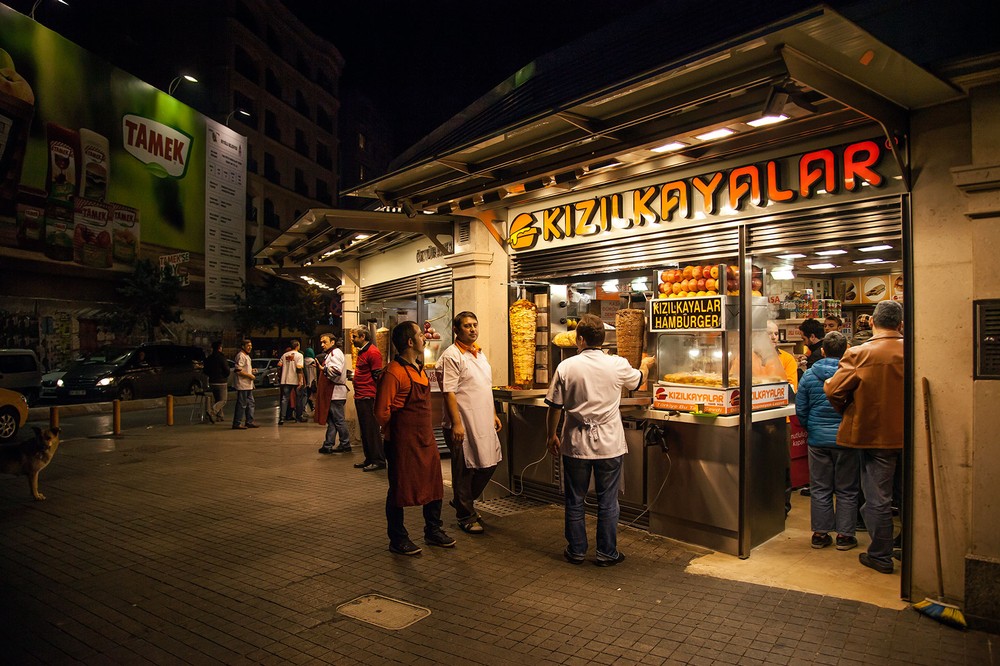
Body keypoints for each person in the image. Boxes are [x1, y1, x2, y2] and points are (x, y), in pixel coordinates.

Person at [545, 314, 655, 566]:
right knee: (608, 500)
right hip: (609, 443)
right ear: (603, 340)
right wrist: (646, 364)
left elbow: (554, 407)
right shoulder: (616, 364)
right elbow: (638, 381)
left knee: (575, 499)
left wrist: (550, 434)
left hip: (575, 443)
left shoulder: (567, 366)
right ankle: (607, 553)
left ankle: (577, 551)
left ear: (580, 339)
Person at [825, 300, 904, 574]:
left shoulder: (859, 353)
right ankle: (906, 546)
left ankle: (880, 556)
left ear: (872, 322)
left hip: (873, 435)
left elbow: (834, 390)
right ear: (901, 324)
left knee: (878, 498)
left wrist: (849, 409)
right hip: (911, 436)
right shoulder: (916, 349)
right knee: (907, 496)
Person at [375, 321, 455, 556]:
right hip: (402, 442)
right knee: (399, 489)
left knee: (434, 484)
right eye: (421, 335)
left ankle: (433, 530)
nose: (424, 338)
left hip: (425, 439)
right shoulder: (393, 372)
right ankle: (398, 538)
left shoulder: (419, 368)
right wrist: (396, 428)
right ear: (410, 342)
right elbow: (381, 412)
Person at [439, 311, 502, 534]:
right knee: (464, 470)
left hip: (483, 420)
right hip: (463, 423)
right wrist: (456, 424)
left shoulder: (479, 354)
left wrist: (493, 413)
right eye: (467, 326)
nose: (473, 329)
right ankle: (465, 515)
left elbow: (485, 387)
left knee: (489, 463)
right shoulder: (451, 356)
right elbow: (449, 392)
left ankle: (461, 500)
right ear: (456, 330)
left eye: (475, 325)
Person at [796, 331, 859, 551]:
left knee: (820, 488)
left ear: (823, 351)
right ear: (846, 350)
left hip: (818, 440)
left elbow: (800, 408)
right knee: (847, 489)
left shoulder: (810, 375)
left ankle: (820, 534)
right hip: (846, 439)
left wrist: (811, 428)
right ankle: (845, 535)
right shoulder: (852, 374)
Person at [350, 326, 386, 471]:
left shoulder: (373, 352)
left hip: (368, 396)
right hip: (360, 395)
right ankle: (369, 458)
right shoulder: (362, 352)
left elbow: (377, 375)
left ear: (363, 337)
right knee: (365, 430)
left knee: (371, 430)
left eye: (354, 337)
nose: (352, 340)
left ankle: (378, 460)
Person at [316, 333, 351, 454]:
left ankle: (345, 443)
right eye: (321, 342)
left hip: (335, 393)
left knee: (338, 420)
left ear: (332, 342)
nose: (322, 344)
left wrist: (323, 369)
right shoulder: (330, 354)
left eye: (324, 342)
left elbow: (335, 371)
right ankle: (328, 444)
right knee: (332, 421)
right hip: (332, 393)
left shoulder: (335, 353)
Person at [232, 339, 259, 430]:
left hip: (248, 385)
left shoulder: (247, 356)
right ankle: (237, 423)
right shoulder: (241, 356)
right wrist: (250, 376)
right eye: (248, 346)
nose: (250, 347)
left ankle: (249, 421)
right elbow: (238, 371)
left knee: (250, 403)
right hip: (242, 385)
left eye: (251, 346)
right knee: (242, 404)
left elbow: (244, 369)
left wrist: (251, 371)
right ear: (243, 346)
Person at [277, 340, 306, 424]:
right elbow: (299, 368)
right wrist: (300, 380)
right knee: (298, 399)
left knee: (284, 398)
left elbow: (279, 365)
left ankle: (281, 418)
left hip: (285, 379)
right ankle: (298, 417)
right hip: (295, 380)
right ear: (297, 346)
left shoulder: (284, 355)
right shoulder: (299, 355)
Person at [203, 340, 229, 423]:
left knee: (218, 399)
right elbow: (227, 369)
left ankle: (220, 416)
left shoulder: (209, 358)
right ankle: (212, 412)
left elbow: (205, 370)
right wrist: (225, 376)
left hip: (212, 381)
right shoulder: (222, 357)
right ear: (219, 348)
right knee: (223, 400)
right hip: (221, 381)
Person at [302, 347, 318, 413]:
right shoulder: (313, 361)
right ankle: (309, 408)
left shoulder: (303, 360)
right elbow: (314, 372)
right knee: (310, 395)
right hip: (312, 380)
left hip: (305, 380)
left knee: (306, 395)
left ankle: (308, 408)